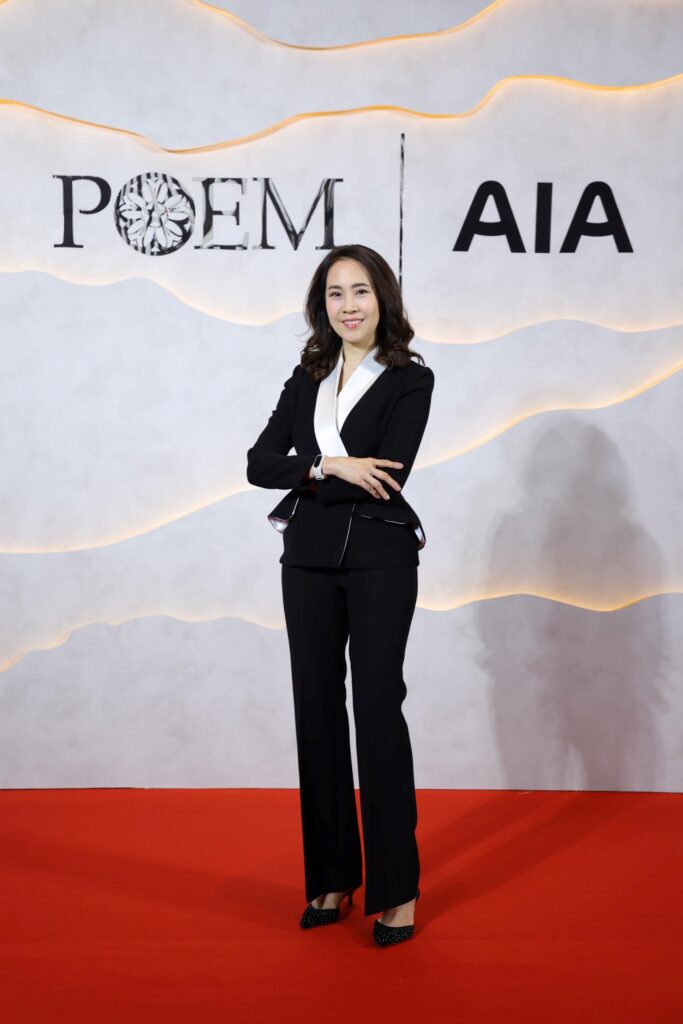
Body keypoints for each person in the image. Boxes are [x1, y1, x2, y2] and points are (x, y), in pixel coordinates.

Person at [246, 243, 434, 947]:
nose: (348, 305)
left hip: (381, 559)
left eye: (359, 291)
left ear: (382, 298)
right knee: (316, 712)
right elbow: (259, 463)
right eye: (334, 293)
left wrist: (312, 471)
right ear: (320, 306)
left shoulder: (410, 379)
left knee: (378, 712)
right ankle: (330, 876)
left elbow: (389, 475)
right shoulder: (307, 378)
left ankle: (396, 888)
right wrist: (330, 465)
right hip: (306, 562)